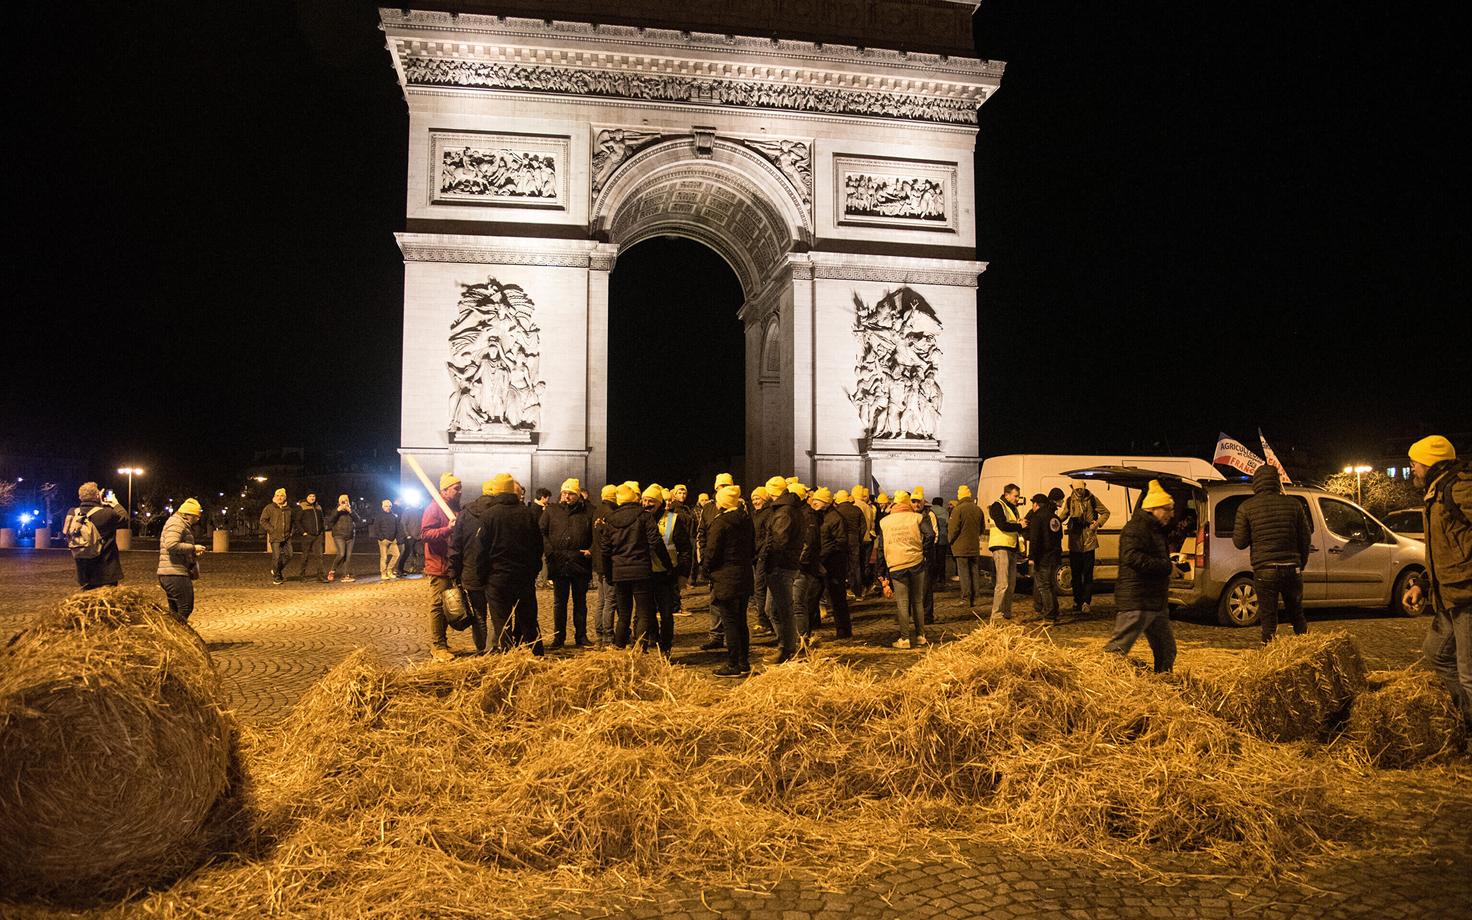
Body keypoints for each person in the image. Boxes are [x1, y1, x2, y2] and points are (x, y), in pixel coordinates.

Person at [1401, 435, 1472, 738]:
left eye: (1414, 462)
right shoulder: (1435, 493)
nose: (1412, 469)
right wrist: (1423, 584)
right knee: (1436, 654)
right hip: (1448, 596)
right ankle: (1464, 719)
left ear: (1428, 462)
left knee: (1469, 674)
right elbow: (1439, 551)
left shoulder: (1459, 487)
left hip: (1467, 594)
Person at [1103, 480, 1180, 673]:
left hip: (1154, 602)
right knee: (1117, 651)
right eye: (1168, 509)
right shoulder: (1136, 528)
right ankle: (1100, 680)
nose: (1171, 514)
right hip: (1137, 601)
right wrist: (1167, 567)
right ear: (1154, 508)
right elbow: (1131, 557)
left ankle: (1164, 686)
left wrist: (1170, 565)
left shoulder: (1154, 529)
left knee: (1167, 649)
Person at [1231, 465, 1312, 643]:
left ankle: (1269, 654)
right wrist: (1301, 563)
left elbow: (1240, 542)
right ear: (1277, 481)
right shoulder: (1294, 504)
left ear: (1256, 482)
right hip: (1292, 568)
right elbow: (1305, 539)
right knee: (1297, 615)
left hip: (1264, 569)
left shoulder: (1246, 507)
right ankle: (1309, 650)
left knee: (1268, 619)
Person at [470, 474, 545, 654]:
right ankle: (538, 657)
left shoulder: (488, 516)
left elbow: (480, 551)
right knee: (528, 622)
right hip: (524, 577)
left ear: (495, 491)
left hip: (497, 579)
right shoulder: (527, 513)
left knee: (502, 624)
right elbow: (538, 547)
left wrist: (482, 576)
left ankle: (509, 659)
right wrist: (533, 571)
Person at [601, 483, 672, 650]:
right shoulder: (644, 516)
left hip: (619, 572)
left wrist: (609, 574)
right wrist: (667, 564)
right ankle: (640, 649)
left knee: (624, 614)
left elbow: (605, 550)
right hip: (641, 570)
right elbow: (655, 541)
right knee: (643, 612)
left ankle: (619, 647)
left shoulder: (610, 520)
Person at [707, 485, 756, 676]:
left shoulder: (721, 523)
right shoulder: (746, 520)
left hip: (725, 576)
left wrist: (707, 569)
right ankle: (744, 662)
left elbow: (712, 551)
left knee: (729, 622)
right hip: (743, 575)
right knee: (741, 620)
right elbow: (752, 548)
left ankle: (733, 663)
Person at [876, 489, 935, 648]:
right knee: (917, 601)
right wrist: (922, 550)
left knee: (902, 603)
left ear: (894, 503)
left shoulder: (884, 522)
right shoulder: (918, 517)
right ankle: (921, 636)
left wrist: (881, 572)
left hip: (896, 564)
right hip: (916, 562)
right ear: (908, 503)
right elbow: (930, 535)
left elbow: (881, 548)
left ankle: (905, 638)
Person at [542, 478, 594, 649]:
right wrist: (550, 552)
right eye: (564, 493)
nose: (567, 496)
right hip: (559, 562)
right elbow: (541, 532)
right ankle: (559, 637)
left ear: (578, 495)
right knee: (559, 602)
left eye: (571, 493)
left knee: (580, 602)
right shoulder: (551, 510)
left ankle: (581, 636)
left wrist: (591, 550)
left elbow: (597, 534)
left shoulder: (589, 511)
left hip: (580, 562)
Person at [759, 476, 804, 664]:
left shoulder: (784, 512)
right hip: (783, 564)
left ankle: (788, 649)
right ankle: (785, 646)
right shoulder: (788, 509)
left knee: (782, 609)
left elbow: (779, 541)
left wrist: (766, 557)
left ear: (772, 492)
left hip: (780, 565)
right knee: (774, 609)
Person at [451, 479, 498, 653]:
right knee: (497, 613)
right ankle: (495, 647)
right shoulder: (499, 513)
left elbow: (456, 544)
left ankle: (480, 649)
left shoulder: (465, 513)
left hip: (471, 570)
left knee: (479, 614)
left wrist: (454, 571)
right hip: (496, 572)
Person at [644, 483, 691, 654]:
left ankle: (666, 646)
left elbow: (685, 549)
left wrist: (683, 574)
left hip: (666, 574)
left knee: (666, 613)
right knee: (648, 612)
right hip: (645, 573)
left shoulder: (672, 519)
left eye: (650, 501)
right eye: (643, 500)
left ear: (659, 503)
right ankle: (653, 638)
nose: (646, 504)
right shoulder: (641, 518)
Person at [420, 473, 463, 660]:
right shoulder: (434, 508)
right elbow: (425, 534)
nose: (459, 491)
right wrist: (448, 530)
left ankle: (442, 643)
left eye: (460, 487)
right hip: (438, 564)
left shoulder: (453, 508)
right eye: (456, 488)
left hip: (450, 564)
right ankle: (437, 646)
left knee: (447, 605)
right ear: (444, 490)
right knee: (437, 605)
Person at [62, 481, 129, 590]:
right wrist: (114, 503)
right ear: (98, 495)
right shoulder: (107, 513)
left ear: (80, 497)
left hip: (83, 573)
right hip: (106, 572)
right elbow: (124, 518)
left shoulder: (72, 512)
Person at [696, 472, 735, 648]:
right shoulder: (708, 508)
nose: (724, 490)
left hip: (731, 562)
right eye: (721, 487)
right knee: (715, 600)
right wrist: (703, 559)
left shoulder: (740, 506)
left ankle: (730, 636)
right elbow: (701, 534)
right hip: (714, 561)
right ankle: (716, 636)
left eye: (727, 486)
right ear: (716, 488)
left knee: (732, 602)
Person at [1060, 484, 1109, 614]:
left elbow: (1105, 512)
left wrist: (1097, 523)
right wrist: (1052, 521)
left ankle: (1086, 602)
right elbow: (1063, 515)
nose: (1079, 491)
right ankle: (1077, 601)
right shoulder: (1070, 501)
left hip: (1089, 543)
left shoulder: (1092, 499)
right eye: (1077, 489)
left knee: (1087, 575)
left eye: (1081, 489)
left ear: (1084, 487)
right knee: (1075, 575)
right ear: (1073, 489)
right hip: (1075, 543)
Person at [156, 498, 206, 621]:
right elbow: (172, 545)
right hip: (174, 573)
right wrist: (193, 548)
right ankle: (174, 633)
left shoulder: (179, 523)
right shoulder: (176, 523)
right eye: (196, 516)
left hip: (170, 572)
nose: (198, 519)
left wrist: (191, 553)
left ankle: (172, 635)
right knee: (185, 607)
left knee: (175, 611)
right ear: (187, 515)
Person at [815, 487, 853, 638]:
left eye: (816, 502)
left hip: (834, 563)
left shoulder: (835, 518)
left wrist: (825, 554)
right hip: (823, 560)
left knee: (837, 597)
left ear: (825, 502)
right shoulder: (821, 516)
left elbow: (841, 541)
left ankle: (843, 629)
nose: (813, 504)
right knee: (816, 595)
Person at [987, 484, 1025, 624]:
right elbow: (1002, 525)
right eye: (1016, 496)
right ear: (1007, 494)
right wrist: (1020, 525)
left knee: (1011, 583)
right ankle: (996, 615)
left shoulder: (1011, 508)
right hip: (1001, 546)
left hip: (1011, 547)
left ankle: (1006, 613)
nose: (1017, 499)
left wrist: (1019, 524)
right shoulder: (997, 506)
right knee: (1002, 583)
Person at [1025, 492, 1064, 624]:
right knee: (1050, 585)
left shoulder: (1037, 517)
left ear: (1036, 504)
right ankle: (1055, 613)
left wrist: (1032, 557)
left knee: (1044, 587)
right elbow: (1059, 537)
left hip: (1043, 557)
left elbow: (1035, 539)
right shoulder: (1055, 517)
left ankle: (1049, 616)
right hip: (1055, 556)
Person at [591, 484, 619, 647]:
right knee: (610, 599)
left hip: (598, 561)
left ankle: (599, 632)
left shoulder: (597, 511)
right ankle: (607, 634)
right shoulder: (610, 514)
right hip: (608, 562)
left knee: (601, 600)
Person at [948, 485, 985, 609]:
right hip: (974, 546)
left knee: (963, 573)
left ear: (960, 496)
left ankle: (965, 598)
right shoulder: (978, 509)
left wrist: (950, 541)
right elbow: (982, 528)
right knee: (974, 572)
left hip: (961, 547)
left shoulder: (958, 510)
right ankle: (976, 598)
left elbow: (953, 529)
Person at [912, 487, 941, 623]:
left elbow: (934, 534)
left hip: (926, 555)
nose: (916, 505)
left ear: (923, 502)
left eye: (918, 502)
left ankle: (927, 615)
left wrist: (926, 549)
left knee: (926, 587)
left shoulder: (930, 515)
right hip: (914, 555)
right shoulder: (911, 515)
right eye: (914, 502)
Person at [833, 490, 866, 605]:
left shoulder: (836, 511)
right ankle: (858, 592)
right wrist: (858, 538)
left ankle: (842, 592)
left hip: (841, 541)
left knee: (841, 567)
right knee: (855, 566)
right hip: (854, 540)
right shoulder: (857, 510)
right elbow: (863, 527)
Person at [749, 486, 774, 634]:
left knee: (760, 588)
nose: (755, 501)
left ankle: (764, 621)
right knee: (759, 588)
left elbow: (767, 536)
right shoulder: (755, 514)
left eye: (758, 498)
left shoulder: (768, 513)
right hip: (756, 555)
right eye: (753, 499)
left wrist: (762, 553)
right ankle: (764, 620)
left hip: (762, 556)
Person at [259, 487, 294, 585]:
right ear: (274, 497)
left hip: (287, 536)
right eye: (278, 495)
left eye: (282, 496)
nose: (280, 497)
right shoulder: (270, 507)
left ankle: (276, 570)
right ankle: (276, 577)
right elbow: (263, 520)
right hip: (275, 536)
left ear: (285, 497)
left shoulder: (288, 509)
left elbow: (292, 521)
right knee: (277, 557)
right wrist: (271, 530)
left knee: (290, 555)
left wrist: (291, 531)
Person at [294, 492, 327, 581]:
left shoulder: (318, 507)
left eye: (313, 496)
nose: (312, 498)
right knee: (305, 556)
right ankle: (302, 575)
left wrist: (322, 531)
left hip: (318, 536)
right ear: (306, 497)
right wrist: (303, 532)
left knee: (319, 556)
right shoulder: (302, 506)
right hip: (307, 536)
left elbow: (322, 520)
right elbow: (297, 521)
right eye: (310, 496)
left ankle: (320, 576)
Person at [327, 494, 359, 583]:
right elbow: (330, 520)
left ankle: (345, 575)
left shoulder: (351, 510)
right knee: (341, 554)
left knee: (348, 557)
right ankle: (332, 571)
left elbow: (358, 520)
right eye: (342, 500)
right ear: (339, 502)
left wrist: (350, 511)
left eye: (346, 500)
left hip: (350, 536)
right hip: (339, 535)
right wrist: (338, 510)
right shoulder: (335, 510)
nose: (344, 502)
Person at [371, 499, 403, 580]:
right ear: (382, 507)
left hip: (393, 540)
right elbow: (376, 529)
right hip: (383, 540)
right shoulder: (379, 516)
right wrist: (382, 538)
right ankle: (383, 573)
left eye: (389, 506)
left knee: (396, 555)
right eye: (386, 506)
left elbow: (398, 528)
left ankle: (389, 570)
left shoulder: (394, 516)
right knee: (384, 557)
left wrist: (397, 538)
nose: (388, 507)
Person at [533, 487, 553, 588]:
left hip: (539, 538)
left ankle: (542, 580)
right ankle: (543, 580)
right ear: (543, 498)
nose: (548, 500)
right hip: (539, 538)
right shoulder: (537, 509)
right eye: (548, 498)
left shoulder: (539, 508)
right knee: (544, 559)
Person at [396, 500, 422, 576]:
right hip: (410, 537)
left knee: (419, 553)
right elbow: (403, 524)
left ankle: (417, 567)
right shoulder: (407, 512)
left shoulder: (420, 512)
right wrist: (407, 535)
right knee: (406, 553)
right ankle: (400, 569)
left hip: (419, 536)